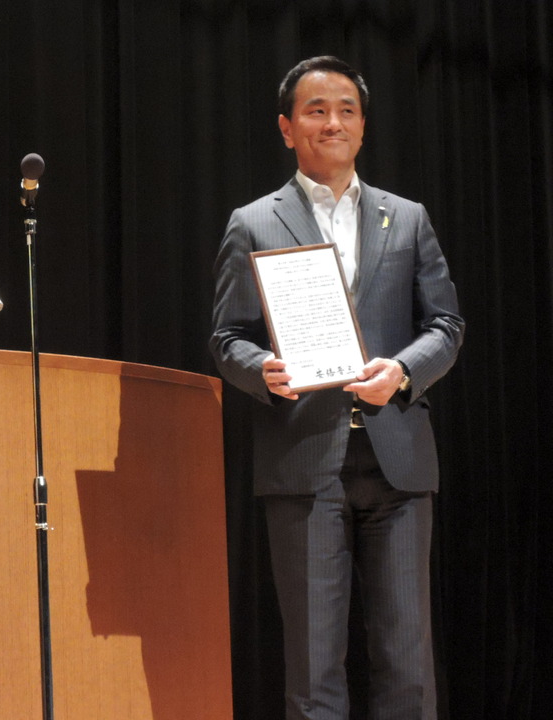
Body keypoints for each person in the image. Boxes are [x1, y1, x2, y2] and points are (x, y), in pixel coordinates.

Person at [210, 56, 464, 719]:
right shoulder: (253, 222)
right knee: (315, 668)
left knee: (406, 663)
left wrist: (404, 371)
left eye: (346, 109)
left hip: (398, 462)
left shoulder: (405, 218)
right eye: (316, 110)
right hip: (304, 462)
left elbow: (446, 323)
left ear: (363, 124)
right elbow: (228, 337)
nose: (333, 122)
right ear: (287, 127)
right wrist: (261, 370)